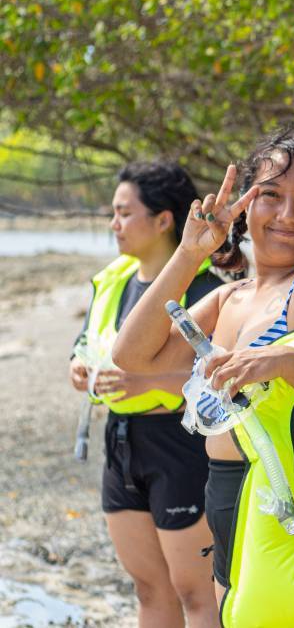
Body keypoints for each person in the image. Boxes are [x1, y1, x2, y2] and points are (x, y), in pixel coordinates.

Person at [111, 129, 294, 604]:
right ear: (245, 206)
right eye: (271, 196)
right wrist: (190, 251)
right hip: (229, 493)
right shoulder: (231, 296)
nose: (287, 215)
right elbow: (131, 357)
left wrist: (292, 363)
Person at [69, 161, 223, 627]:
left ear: (163, 220)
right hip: (121, 443)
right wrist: (78, 369)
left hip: (181, 445)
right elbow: (86, 342)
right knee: (148, 588)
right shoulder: (113, 280)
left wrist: (147, 382)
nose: (113, 225)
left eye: (123, 213)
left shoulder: (206, 288)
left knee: (196, 591)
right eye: (111, 214)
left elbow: (226, 378)